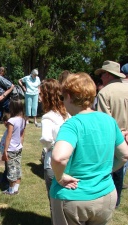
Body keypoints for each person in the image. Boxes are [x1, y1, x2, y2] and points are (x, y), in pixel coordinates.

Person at [50, 73, 128, 225]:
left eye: (62, 97)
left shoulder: (72, 124)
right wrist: (107, 171)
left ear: (69, 96)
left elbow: (59, 157)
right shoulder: (109, 120)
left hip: (73, 197)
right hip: (106, 195)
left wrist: (60, 177)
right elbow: (124, 155)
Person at [95, 60, 128, 208]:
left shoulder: (104, 92)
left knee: (108, 169)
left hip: (113, 137)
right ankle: (117, 200)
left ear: (108, 74)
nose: (101, 78)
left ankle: (107, 199)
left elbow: (104, 121)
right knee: (121, 168)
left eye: (102, 74)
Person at [39, 78, 70, 223]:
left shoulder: (48, 117)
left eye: (40, 94)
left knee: (55, 204)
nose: (39, 97)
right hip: (71, 163)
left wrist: (48, 146)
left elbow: (46, 139)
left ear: (47, 96)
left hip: (53, 163)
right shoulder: (69, 113)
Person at [1, 99, 26, 195]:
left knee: (11, 169)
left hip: (11, 148)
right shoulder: (23, 120)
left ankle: (11, 190)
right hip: (18, 148)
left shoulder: (11, 120)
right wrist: (20, 145)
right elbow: (22, 135)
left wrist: (5, 151)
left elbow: (9, 136)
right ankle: (16, 189)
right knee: (18, 167)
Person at [0, 113, 10, 187]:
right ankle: (4, 178)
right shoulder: (8, 130)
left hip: (8, 151)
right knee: (6, 166)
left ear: (5, 122)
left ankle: (8, 182)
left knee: (8, 167)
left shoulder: (10, 131)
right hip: (5, 150)